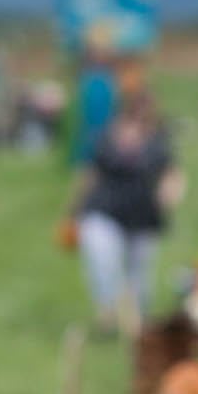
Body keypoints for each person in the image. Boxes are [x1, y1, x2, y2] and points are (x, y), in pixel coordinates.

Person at [69, 90, 184, 335]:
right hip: (105, 211)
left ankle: (137, 324)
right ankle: (107, 312)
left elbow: (172, 174)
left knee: (139, 274)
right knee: (104, 261)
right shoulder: (106, 140)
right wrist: (74, 209)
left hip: (142, 217)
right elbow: (90, 174)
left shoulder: (157, 143)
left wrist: (168, 194)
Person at [71, 38, 117, 166]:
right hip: (90, 110)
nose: (99, 56)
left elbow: (113, 96)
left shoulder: (109, 75)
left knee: (103, 134)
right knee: (89, 135)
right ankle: (85, 160)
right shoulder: (85, 74)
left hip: (104, 108)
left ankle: (103, 159)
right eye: (97, 53)